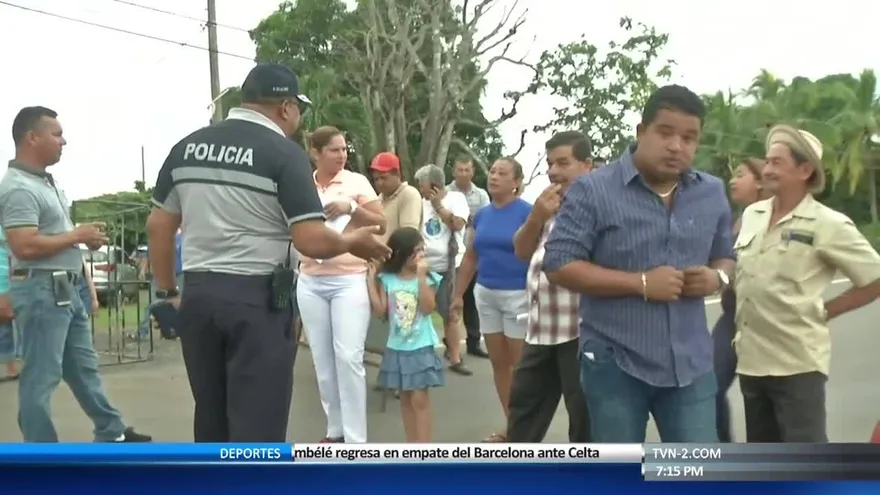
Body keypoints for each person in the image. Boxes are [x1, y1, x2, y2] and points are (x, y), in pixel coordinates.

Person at [147, 64, 390, 442]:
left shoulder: (186, 149)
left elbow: (159, 226)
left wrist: (167, 293)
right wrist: (350, 242)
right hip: (256, 300)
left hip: (197, 294)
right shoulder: (283, 154)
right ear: (286, 107)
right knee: (257, 425)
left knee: (211, 417)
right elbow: (311, 240)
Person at [543, 85, 735, 443]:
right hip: (614, 362)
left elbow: (728, 255)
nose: (677, 146)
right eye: (665, 133)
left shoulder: (711, 192)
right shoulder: (594, 190)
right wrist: (641, 283)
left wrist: (717, 276)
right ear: (641, 131)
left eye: (689, 138)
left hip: (690, 365)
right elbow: (558, 263)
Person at [1, 106, 151, 442]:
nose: (63, 141)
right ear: (32, 137)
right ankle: (40, 452)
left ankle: (111, 430)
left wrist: (84, 241)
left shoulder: (45, 183)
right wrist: (76, 236)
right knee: (41, 376)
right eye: (56, 134)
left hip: (64, 289)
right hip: (41, 289)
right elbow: (23, 246)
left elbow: (54, 238)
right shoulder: (18, 188)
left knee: (83, 367)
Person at [734, 125, 880, 443]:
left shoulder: (829, 224)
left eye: (776, 163)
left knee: (806, 461)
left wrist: (827, 310)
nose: (767, 169)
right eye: (767, 161)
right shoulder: (752, 215)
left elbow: (874, 278)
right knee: (765, 465)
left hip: (796, 365)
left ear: (805, 170)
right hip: (752, 363)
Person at [296, 125, 387, 444]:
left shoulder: (356, 182)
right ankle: (334, 430)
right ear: (316, 153)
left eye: (345, 148)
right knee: (323, 359)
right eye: (334, 150)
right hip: (310, 279)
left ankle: (356, 439)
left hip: (349, 278)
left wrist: (351, 207)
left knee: (348, 357)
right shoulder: (302, 184)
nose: (342, 154)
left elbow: (381, 223)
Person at [507, 131, 593, 443]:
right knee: (524, 409)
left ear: (587, 165)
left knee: (583, 415)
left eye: (563, 163)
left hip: (580, 329)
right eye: (549, 163)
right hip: (541, 327)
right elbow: (520, 250)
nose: (554, 171)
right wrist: (537, 216)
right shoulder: (547, 204)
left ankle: (586, 480)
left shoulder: (599, 206)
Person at [452, 157, 531, 442]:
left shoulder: (529, 213)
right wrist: (458, 295)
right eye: (493, 171)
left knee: (520, 366)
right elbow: (471, 256)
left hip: (518, 296)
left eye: (502, 173)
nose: (494, 176)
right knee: (499, 363)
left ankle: (527, 429)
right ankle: (512, 426)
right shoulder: (482, 215)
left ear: (516, 182)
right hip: (485, 294)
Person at [367, 227, 445, 442]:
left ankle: (424, 449)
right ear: (402, 253)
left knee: (420, 399)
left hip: (420, 346)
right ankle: (411, 447)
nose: (422, 255)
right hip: (397, 347)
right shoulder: (388, 279)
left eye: (423, 249)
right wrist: (371, 281)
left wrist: (420, 278)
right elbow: (380, 311)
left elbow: (429, 308)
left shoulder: (429, 279)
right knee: (405, 399)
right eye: (416, 251)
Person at [714, 157, 768, 443]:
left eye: (740, 174)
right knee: (709, 386)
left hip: (763, 319)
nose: (733, 181)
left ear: (760, 182)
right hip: (731, 315)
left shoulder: (773, 220)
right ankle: (725, 452)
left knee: (762, 401)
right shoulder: (736, 222)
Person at [414, 164, 472, 376]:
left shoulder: (456, 199)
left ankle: (455, 358)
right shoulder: (418, 203)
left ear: (434, 185)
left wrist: (438, 206)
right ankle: (422, 358)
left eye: (422, 185)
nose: (420, 189)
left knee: (451, 314)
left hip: (450, 266)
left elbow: (457, 224)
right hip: (424, 267)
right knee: (420, 313)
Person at [447, 156, 490, 358]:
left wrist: (465, 219)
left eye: (467, 170)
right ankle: (450, 343)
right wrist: (467, 219)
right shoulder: (445, 193)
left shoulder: (481, 195)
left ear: (473, 172)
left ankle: (473, 342)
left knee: (472, 300)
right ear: (453, 171)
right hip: (450, 256)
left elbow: (485, 222)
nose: (463, 173)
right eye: (460, 169)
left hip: (473, 255)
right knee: (449, 300)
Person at [135, 228, 182, 340]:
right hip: (161, 273)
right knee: (153, 303)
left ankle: (172, 329)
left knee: (178, 303)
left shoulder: (183, 237)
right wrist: (143, 270)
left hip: (178, 274)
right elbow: (148, 255)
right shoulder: (157, 237)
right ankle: (143, 331)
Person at [370, 152, 421, 241]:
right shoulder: (378, 199)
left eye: (383, 178)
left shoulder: (408, 194)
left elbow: (408, 236)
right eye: (376, 179)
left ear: (397, 174)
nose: (379, 183)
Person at [0, 229, 20, 381]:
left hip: (7, 285)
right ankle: (10, 367)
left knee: (5, 328)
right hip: (6, 285)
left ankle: (11, 367)